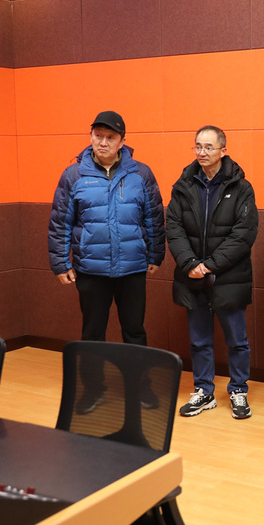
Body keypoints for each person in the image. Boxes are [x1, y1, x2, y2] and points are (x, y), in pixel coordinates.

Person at [48, 111, 166, 414]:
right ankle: (93, 390)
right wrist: (61, 263)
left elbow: (154, 217)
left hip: (132, 268)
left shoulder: (141, 173)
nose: (103, 142)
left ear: (122, 141)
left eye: (110, 137)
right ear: (90, 137)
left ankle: (140, 387)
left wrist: (156, 254)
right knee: (92, 334)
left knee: (135, 331)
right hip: (91, 269)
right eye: (98, 135)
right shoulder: (73, 175)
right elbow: (60, 222)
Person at [167, 125, 258, 420]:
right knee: (199, 341)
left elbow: (244, 234)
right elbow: (174, 228)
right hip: (192, 277)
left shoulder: (241, 187)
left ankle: (238, 390)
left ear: (223, 150)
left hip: (229, 277)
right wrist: (190, 263)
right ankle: (203, 391)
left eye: (208, 147)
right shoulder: (183, 185)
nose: (202, 152)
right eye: (198, 146)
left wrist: (209, 265)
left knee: (237, 341)